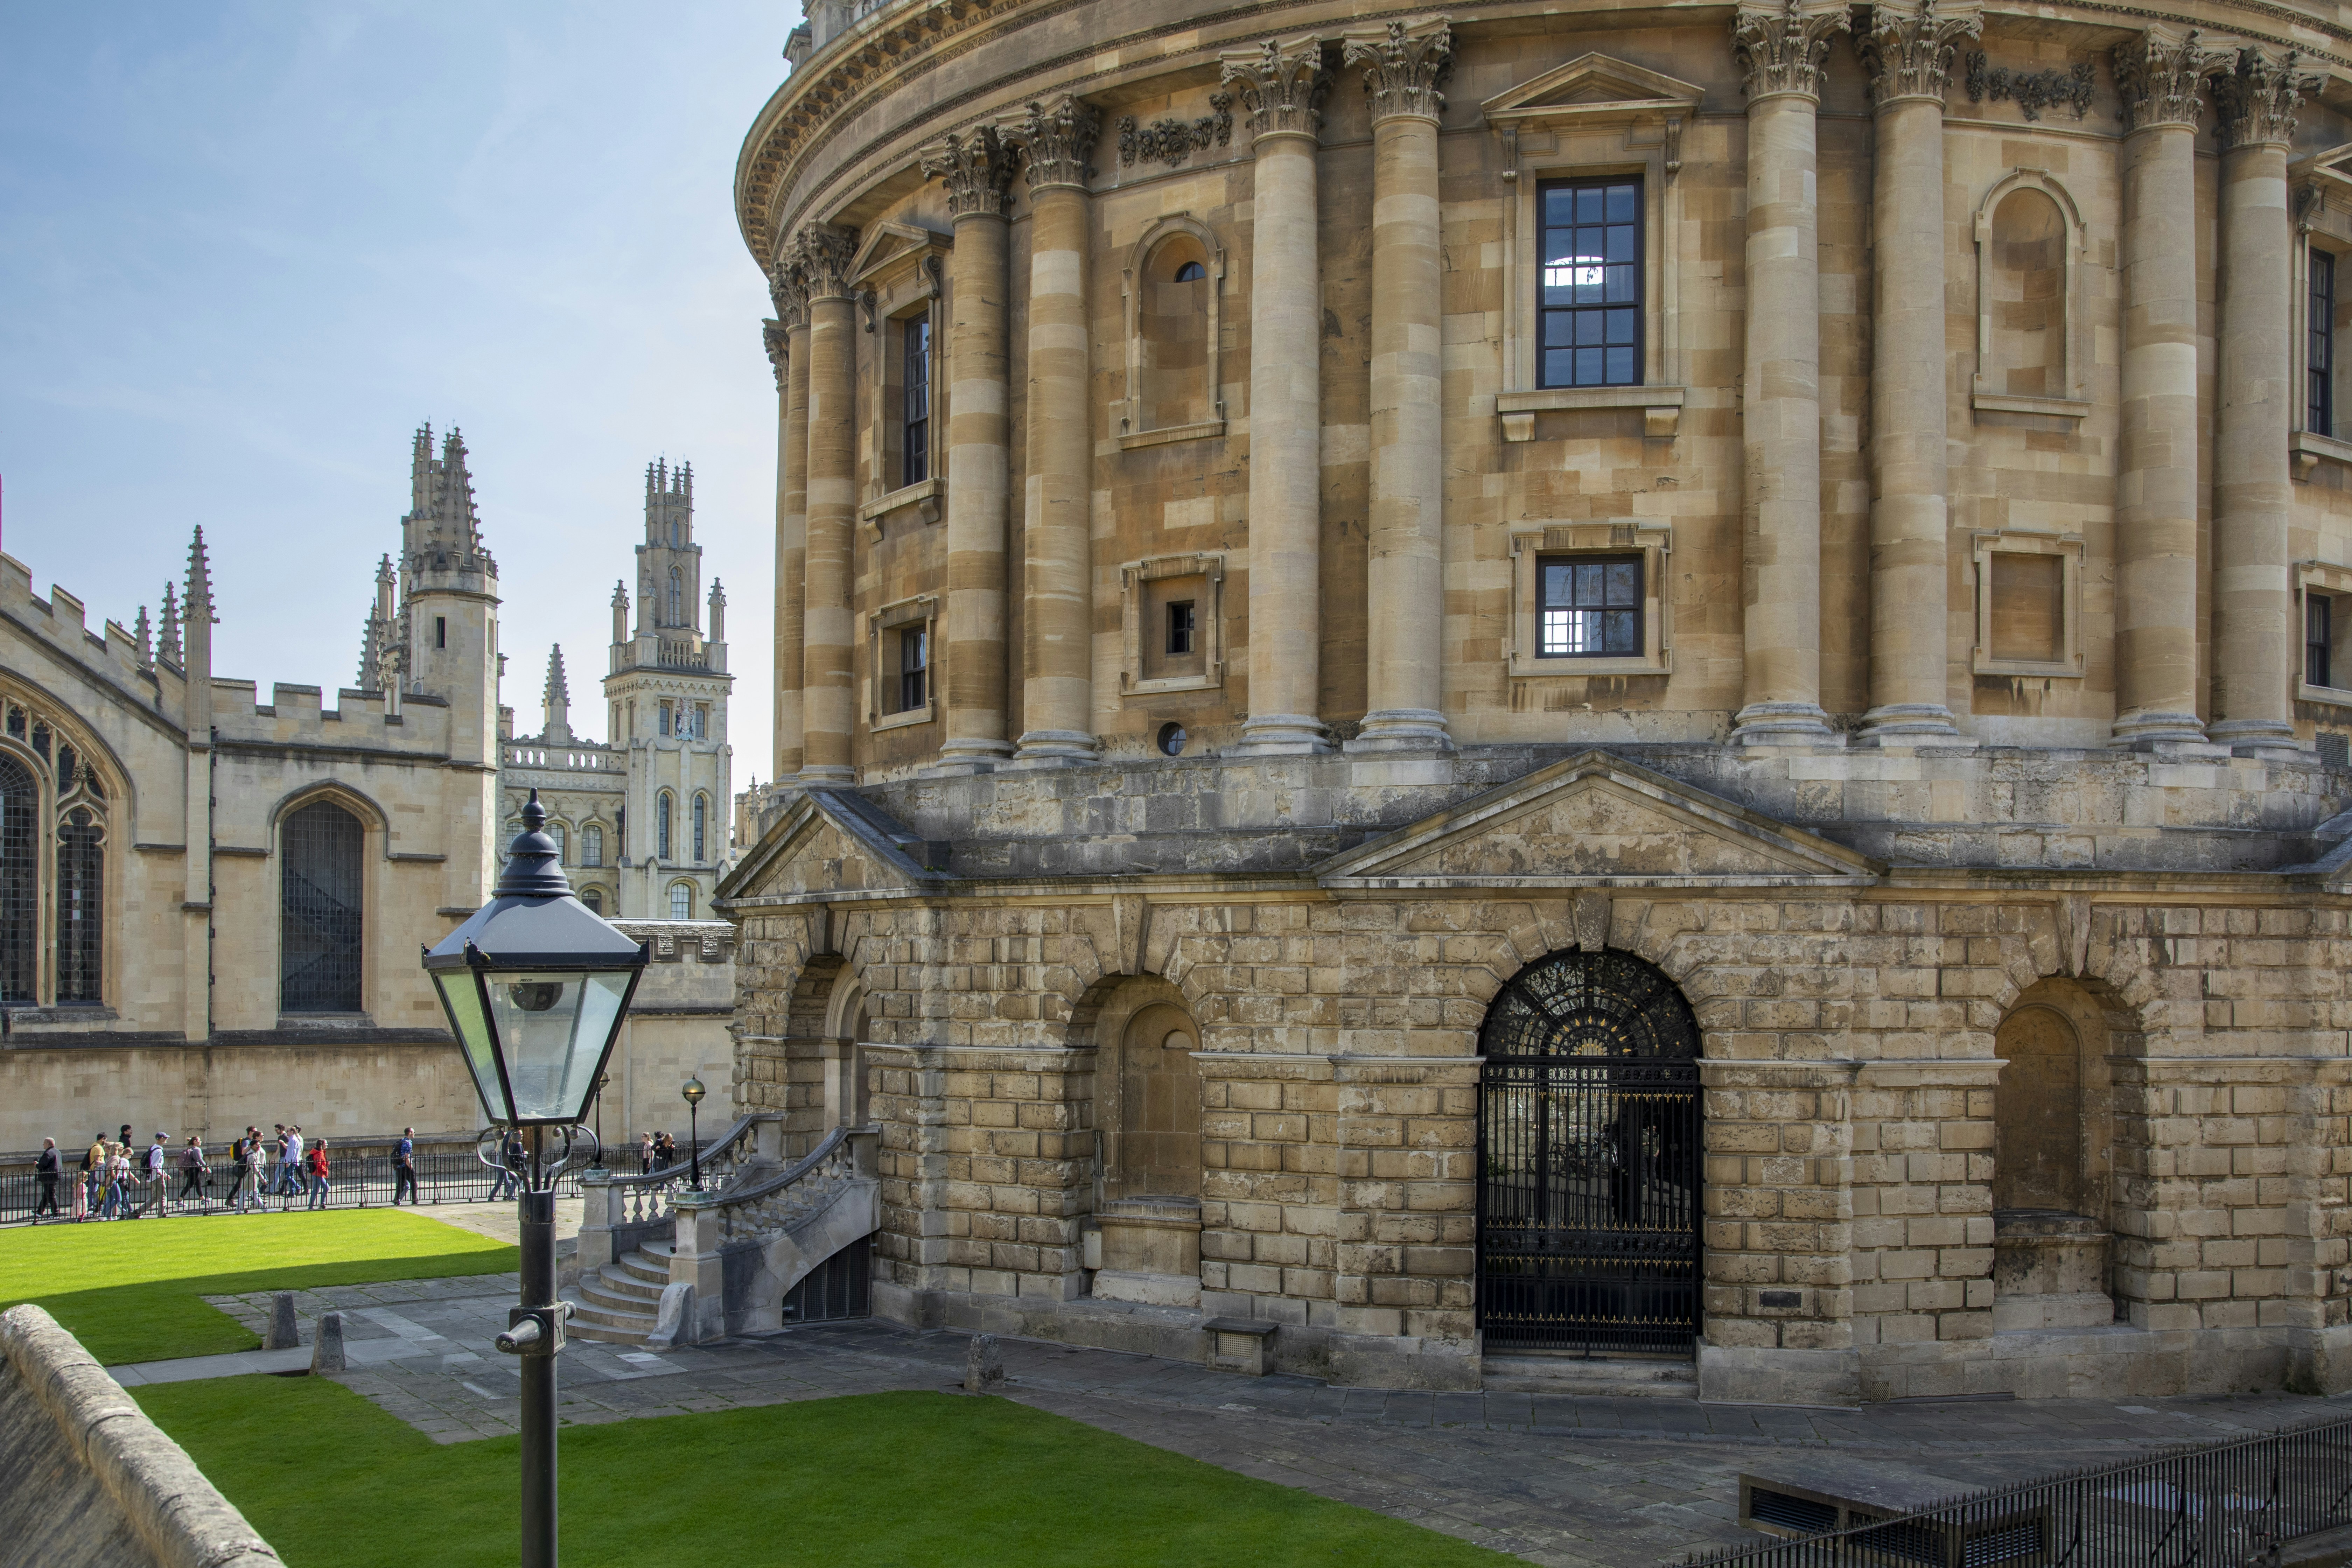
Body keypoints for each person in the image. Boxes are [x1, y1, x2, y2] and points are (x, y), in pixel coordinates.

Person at [488, 1128, 524, 1200]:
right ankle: (506, 1196)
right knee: (502, 1182)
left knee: (504, 1182)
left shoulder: (499, 1149)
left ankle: (508, 1196)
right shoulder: (503, 1150)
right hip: (502, 1167)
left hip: (500, 1167)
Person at [138, 1133, 169, 1217]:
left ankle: (138, 1212)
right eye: (166, 1138)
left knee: (155, 1197)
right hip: (157, 1176)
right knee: (163, 1197)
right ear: (162, 1139)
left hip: (151, 1176)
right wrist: (163, 1174)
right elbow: (155, 1166)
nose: (167, 1139)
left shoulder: (153, 1148)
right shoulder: (159, 1151)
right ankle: (161, 1214)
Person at [177, 1135, 209, 1207]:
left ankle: (203, 1199)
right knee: (189, 1185)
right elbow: (200, 1160)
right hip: (194, 1169)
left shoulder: (190, 1149)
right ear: (195, 1142)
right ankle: (179, 1201)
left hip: (189, 1169)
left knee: (198, 1184)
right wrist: (207, 1167)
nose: (201, 1142)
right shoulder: (197, 1150)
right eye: (199, 1140)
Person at [34, 1138, 61, 1218]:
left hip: (49, 1177)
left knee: (51, 1195)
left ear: (48, 1144)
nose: (43, 1145)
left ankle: (56, 1213)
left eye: (44, 1143)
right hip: (55, 1176)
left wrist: (37, 1165)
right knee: (47, 1195)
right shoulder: (57, 1151)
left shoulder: (48, 1153)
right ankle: (40, 1212)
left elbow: (42, 1165)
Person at [392, 1127, 419, 1206]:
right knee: (414, 1184)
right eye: (414, 1133)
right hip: (406, 1166)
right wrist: (411, 1167)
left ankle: (397, 1200)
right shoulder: (408, 1143)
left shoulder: (401, 1141)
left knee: (401, 1185)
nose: (414, 1134)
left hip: (399, 1166)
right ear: (410, 1133)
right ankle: (415, 1201)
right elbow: (407, 1157)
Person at [305, 1140, 331, 1210]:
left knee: (326, 1188)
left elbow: (320, 1163)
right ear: (322, 1145)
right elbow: (319, 1164)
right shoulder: (320, 1153)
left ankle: (322, 1204)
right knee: (316, 1191)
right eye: (326, 1143)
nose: (327, 1145)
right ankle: (311, 1207)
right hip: (318, 1174)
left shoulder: (317, 1152)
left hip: (317, 1174)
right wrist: (325, 1171)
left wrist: (326, 1163)